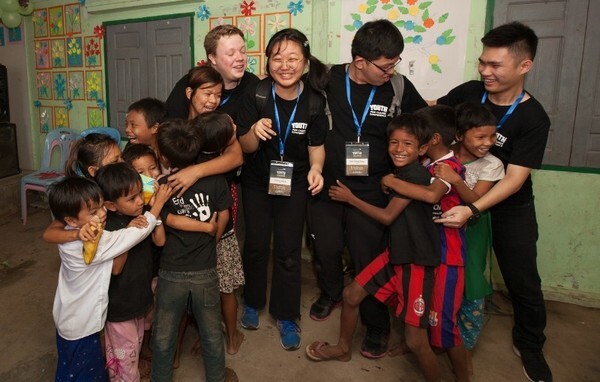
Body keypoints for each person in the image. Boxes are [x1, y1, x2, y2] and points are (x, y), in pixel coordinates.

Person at [434, 22, 553, 382]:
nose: (485, 71)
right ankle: (442, 326)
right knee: (450, 268)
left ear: (524, 66)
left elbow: (516, 179)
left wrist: (473, 208)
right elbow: (436, 116)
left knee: (523, 280)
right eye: (483, 62)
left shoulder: (533, 118)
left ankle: (530, 344)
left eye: (496, 65)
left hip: (506, 207)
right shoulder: (470, 92)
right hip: (458, 196)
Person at [308, 19, 427, 359]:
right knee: (326, 249)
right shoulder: (326, 80)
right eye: (386, 65)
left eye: (395, 63)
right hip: (327, 186)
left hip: (374, 190)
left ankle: (377, 326)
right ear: (360, 61)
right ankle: (331, 292)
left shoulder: (399, 88)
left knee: (368, 260)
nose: (392, 70)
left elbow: (426, 127)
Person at [305, 113, 442, 382]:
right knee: (351, 295)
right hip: (395, 254)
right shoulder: (400, 172)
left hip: (415, 262)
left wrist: (350, 198)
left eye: (408, 144)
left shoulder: (413, 175)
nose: (399, 149)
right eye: (394, 142)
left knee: (416, 342)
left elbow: (387, 216)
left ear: (423, 148)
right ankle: (344, 349)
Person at [236, 28, 328, 350]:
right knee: (257, 245)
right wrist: (253, 130)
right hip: (257, 182)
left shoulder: (315, 102)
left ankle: (287, 315)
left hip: (295, 184)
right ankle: (252, 301)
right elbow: (245, 148)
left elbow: (316, 147)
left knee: (289, 251)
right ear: (268, 62)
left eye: (293, 58)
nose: (285, 65)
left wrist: (317, 169)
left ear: (305, 63)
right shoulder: (257, 94)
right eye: (277, 58)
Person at [46, 176, 168, 381]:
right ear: (71, 220)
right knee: (87, 374)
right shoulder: (94, 242)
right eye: (93, 212)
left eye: (102, 206)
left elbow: (50, 233)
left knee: (70, 368)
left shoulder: (68, 232)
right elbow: (137, 234)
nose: (102, 214)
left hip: (66, 319)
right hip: (83, 326)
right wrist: (158, 205)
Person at [381, 105, 469, 381]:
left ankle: (464, 376)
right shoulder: (425, 166)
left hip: (447, 253)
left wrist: (391, 181)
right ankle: (414, 343)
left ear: (430, 140)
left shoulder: (447, 168)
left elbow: (431, 196)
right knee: (422, 309)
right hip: (426, 248)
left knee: (443, 323)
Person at [151, 119, 233, 382]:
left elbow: (163, 221)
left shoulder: (163, 184)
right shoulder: (216, 180)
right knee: (211, 334)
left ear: (162, 156)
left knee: (163, 336)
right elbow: (223, 217)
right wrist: (211, 239)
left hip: (171, 271)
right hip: (205, 271)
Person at [433, 102, 504, 375]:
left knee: (470, 282)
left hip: (472, 229)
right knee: (441, 280)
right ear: (460, 135)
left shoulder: (492, 164)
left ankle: (463, 349)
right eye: (481, 137)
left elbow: (478, 202)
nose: (488, 143)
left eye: (492, 136)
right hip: (440, 228)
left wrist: (457, 179)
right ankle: (439, 337)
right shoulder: (443, 154)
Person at [94, 163, 169, 381]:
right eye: (131, 198)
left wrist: (155, 213)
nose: (139, 201)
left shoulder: (142, 212)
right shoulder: (110, 227)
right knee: (124, 361)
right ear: (111, 205)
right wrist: (126, 235)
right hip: (120, 307)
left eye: (140, 194)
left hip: (138, 299)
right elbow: (116, 269)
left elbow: (160, 240)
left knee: (131, 350)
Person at [165, 24, 258, 197]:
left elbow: (236, 154)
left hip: (227, 184)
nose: (240, 58)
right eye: (231, 53)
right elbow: (167, 136)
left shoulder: (253, 87)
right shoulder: (191, 82)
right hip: (183, 180)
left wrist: (196, 171)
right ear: (212, 58)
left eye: (243, 51)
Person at [43, 133, 124, 244]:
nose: (123, 163)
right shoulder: (85, 194)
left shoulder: (124, 182)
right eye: (115, 161)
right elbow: (49, 234)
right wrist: (77, 234)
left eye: (121, 157)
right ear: (93, 171)